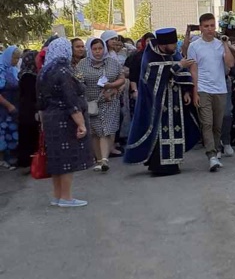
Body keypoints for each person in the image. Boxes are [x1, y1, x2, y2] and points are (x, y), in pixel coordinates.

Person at [124, 28, 201, 177]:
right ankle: (158, 165)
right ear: (164, 44)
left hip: (176, 100)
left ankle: (173, 163)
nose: (175, 46)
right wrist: (179, 65)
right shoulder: (150, 56)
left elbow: (182, 72)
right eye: (172, 44)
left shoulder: (174, 53)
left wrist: (186, 91)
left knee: (176, 128)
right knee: (158, 132)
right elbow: (153, 77)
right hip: (157, 104)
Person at [37, 37, 94, 206]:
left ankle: (57, 196)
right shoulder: (63, 71)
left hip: (49, 119)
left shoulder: (44, 71)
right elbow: (70, 101)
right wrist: (81, 124)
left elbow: (40, 101)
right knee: (67, 159)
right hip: (65, 119)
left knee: (56, 159)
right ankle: (67, 197)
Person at [183, 13, 235, 172]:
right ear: (200, 28)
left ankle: (216, 148)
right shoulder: (195, 46)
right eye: (206, 26)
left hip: (220, 89)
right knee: (206, 122)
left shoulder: (220, 44)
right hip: (203, 89)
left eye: (212, 26)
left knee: (217, 124)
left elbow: (230, 63)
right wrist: (195, 91)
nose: (209, 29)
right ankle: (211, 155)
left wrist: (225, 45)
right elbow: (193, 70)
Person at [75, 37, 125, 172]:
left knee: (105, 130)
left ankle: (104, 159)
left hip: (109, 102)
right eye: (94, 49)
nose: (98, 52)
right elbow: (77, 82)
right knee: (94, 132)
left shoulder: (112, 62)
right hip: (91, 103)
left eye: (100, 48)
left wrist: (112, 86)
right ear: (90, 50)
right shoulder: (82, 64)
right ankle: (98, 159)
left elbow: (122, 78)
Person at [16, 50, 40, 169]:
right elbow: (31, 95)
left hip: (26, 109)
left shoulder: (27, 73)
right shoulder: (28, 76)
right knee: (28, 136)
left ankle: (29, 162)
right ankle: (28, 163)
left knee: (29, 136)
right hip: (29, 110)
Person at [0, 46, 21, 168]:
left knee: (13, 131)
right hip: (3, 108)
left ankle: (12, 157)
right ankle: (3, 159)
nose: (17, 60)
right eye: (15, 58)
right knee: (3, 132)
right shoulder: (1, 68)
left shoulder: (12, 69)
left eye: (18, 58)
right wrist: (8, 106)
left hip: (13, 106)